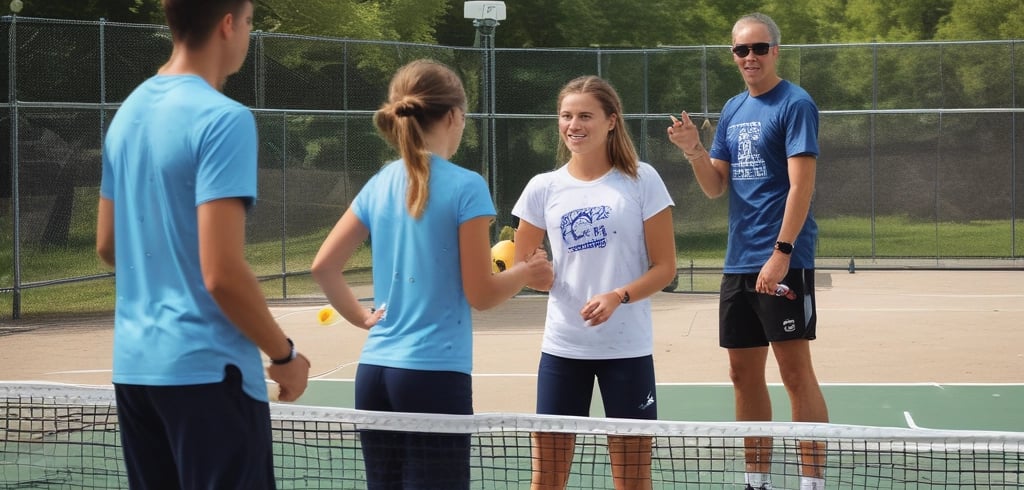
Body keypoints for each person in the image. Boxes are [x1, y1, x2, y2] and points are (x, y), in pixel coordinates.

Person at [95, 1, 311, 488]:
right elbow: (221, 273)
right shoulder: (224, 119)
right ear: (228, 24)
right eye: (251, 22)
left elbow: (109, 245)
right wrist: (285, 357)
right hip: (210, 378)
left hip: (135, 373)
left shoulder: (126, 114)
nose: (249, 35)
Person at [310, 59, 553, 490]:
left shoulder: (380, 181)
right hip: (433, 378)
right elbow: (480, 294)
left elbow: (323, 267)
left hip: (374, 375)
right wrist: (525, 270)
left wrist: (363, 319)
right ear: (455, 117)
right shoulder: (467, 185)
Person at [666, 12, 830, 490]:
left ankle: (811, 482)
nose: (751, 57)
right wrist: (695, 149)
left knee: (795, 374)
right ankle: (755, 480)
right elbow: (717, 186)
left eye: (759, 48)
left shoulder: (796, 104)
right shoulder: (734, 109)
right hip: (738, 261)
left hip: (782, 260)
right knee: (742, 373)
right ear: (733, 55)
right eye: (742, 50)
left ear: (775, 51)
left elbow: (801, 187)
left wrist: (782, 252)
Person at [512, 75, 677, 490]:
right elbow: (524, 266)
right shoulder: (542, 188)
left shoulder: (642, 180)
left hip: (628, 349)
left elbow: (665, 267)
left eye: (585, 115)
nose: (574, 124)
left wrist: (619, 296)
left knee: (634, 478)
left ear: (611, 121)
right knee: (547, 478)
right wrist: (537, 275)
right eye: (566, 116)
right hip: (563, 349)